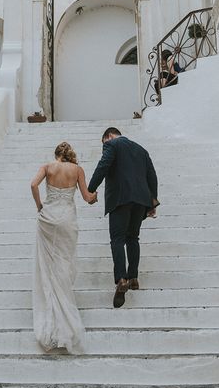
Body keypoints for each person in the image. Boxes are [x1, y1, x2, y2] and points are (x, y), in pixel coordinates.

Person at [31, 141, 97, 353]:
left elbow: (33, 185)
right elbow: (87, 197)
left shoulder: (47, 167)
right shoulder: (77, 169)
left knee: (49, 263)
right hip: (67, 219)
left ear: (56, 154)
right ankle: (65, 302)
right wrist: (94, 197)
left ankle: (52, 307)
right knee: (64, 261)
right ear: (69, 155)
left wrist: (40, 206)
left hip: (48, 218)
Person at [88, 127, 159, 308]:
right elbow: (152, 177)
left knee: (117, 239)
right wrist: (152, 202)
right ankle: (133, 277)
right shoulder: (141, 150)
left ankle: (121, 279)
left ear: (109, 136)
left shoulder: (112, 145)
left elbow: (103, 165)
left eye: (104, 142)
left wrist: (90, 188)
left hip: (120, 198)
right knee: (133, 238)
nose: (105, 145)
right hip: (140, 200)